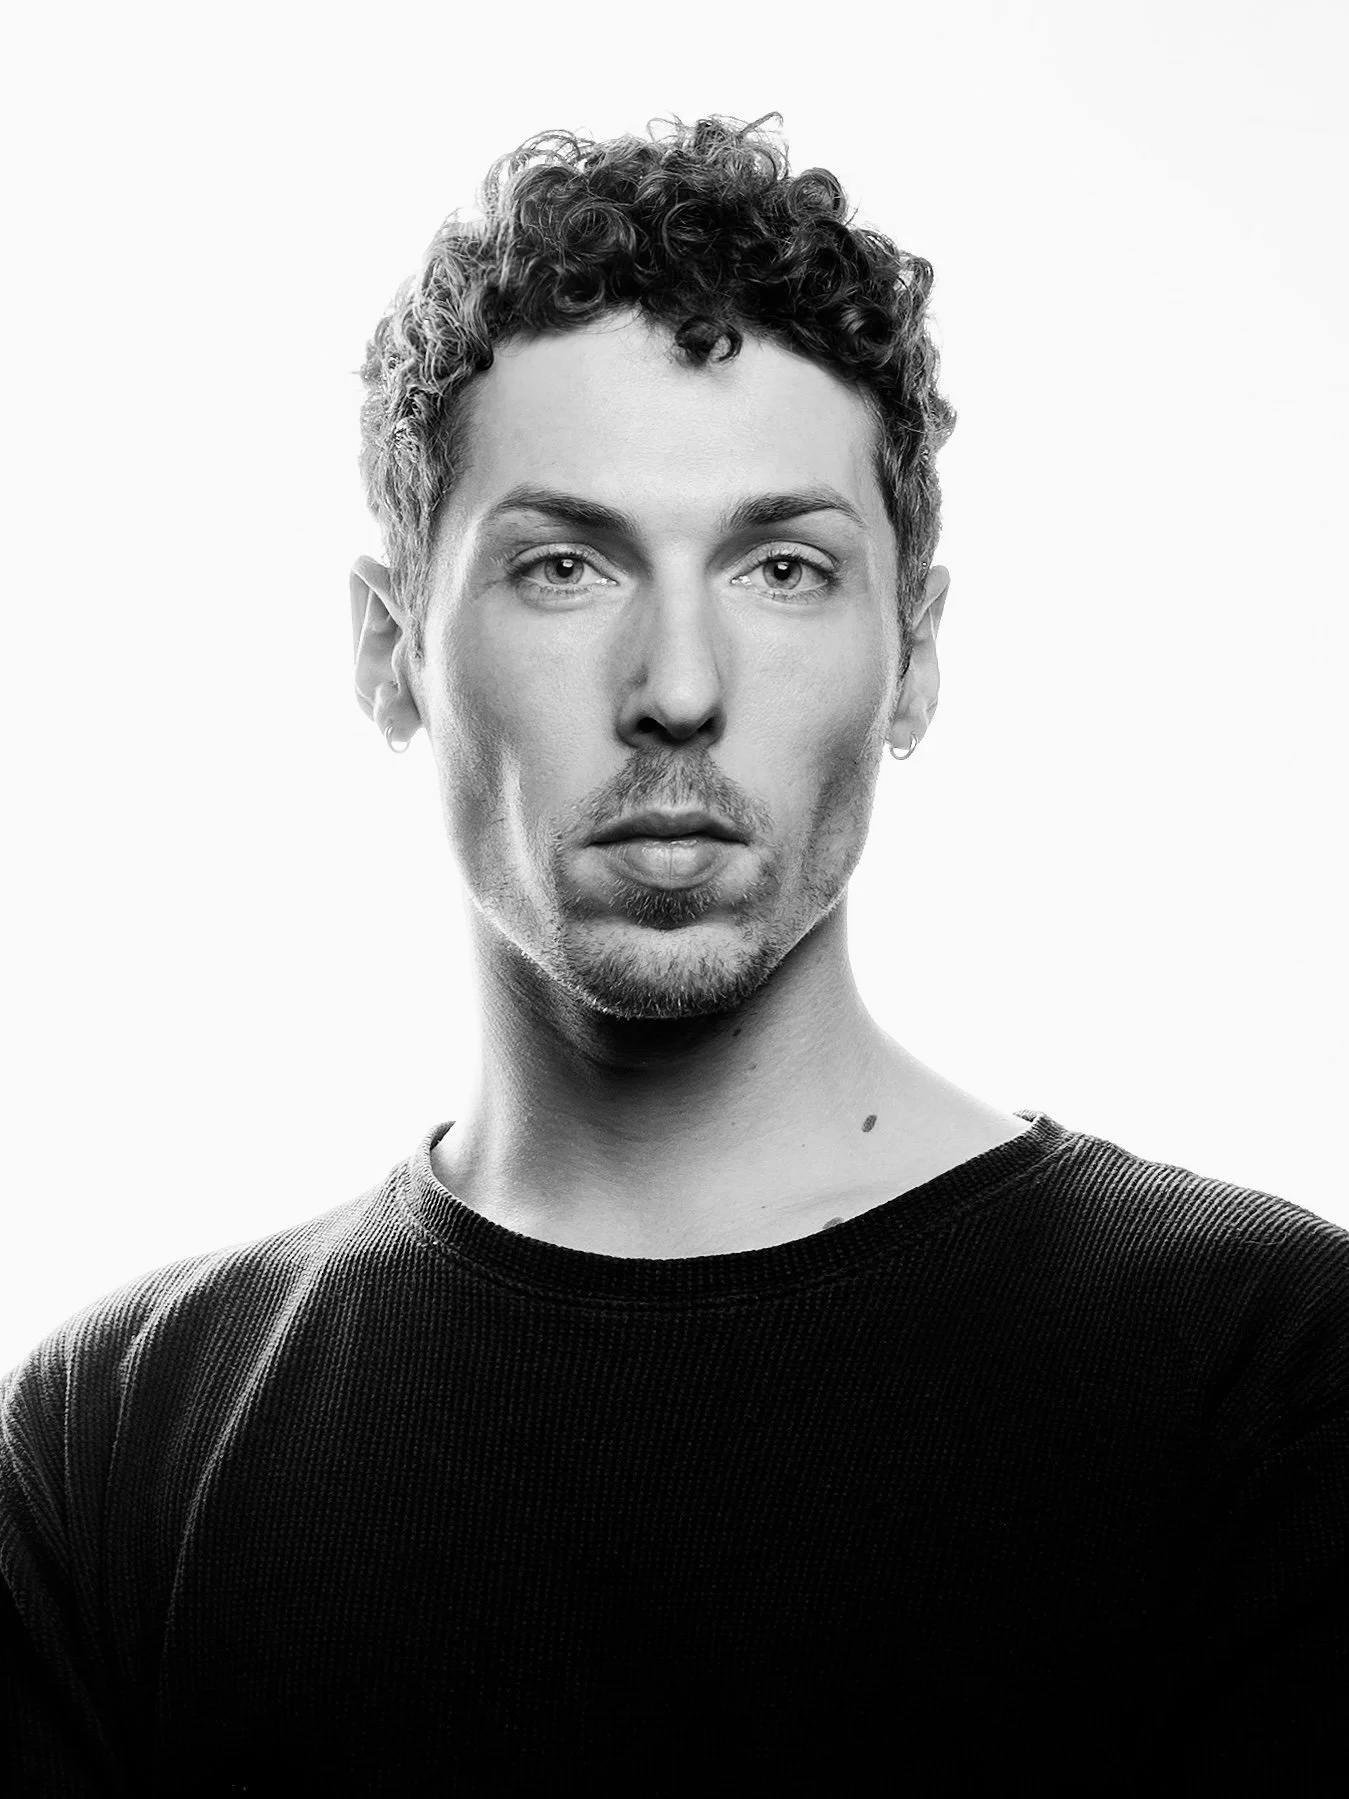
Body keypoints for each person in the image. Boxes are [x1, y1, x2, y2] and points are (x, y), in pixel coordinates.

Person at [3, 113, 1345, 1796]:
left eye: (785, 568)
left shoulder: (1258, 1367)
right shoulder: (119, 1440)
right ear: (388, 649)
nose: (681, 685)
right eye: (565, 565)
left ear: (913, 656)